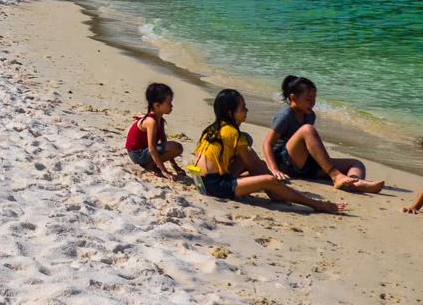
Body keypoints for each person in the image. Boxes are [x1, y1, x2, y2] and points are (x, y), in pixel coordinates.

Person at [191, 88, 345, 214]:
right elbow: (256, 166)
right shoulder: (232, 132)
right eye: (243, 107)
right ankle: (316, 204)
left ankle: (277, 192)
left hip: (197, 177)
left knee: (252, 160)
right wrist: (273, 183)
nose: (247, 110)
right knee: (269, 180)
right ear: (231, 112)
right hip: (213, 186)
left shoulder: (212, 129)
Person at [262, 75, 384, 193]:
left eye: (314, 98)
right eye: (308, 99)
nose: (313, 103)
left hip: (306, 165)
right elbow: (267, 144)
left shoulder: (310, 115)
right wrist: (274, 169)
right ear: (293, 98)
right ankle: (335, 176)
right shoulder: (285, 116)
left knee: (356, 163)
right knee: (307, 129)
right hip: (285, 163)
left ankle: (355, 182)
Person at [125, 83, 185, 179]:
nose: (171, 106)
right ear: (157, 105)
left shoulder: (159, 119)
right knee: (176, 147)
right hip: (137, 154)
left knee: (176, 147)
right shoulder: (151, 121)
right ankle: (150, 165)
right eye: (169, 103)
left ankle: (151, 164)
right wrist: (164, 171)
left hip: (143, 151)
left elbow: (164, 143)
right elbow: (152, 148)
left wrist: (175, 166)